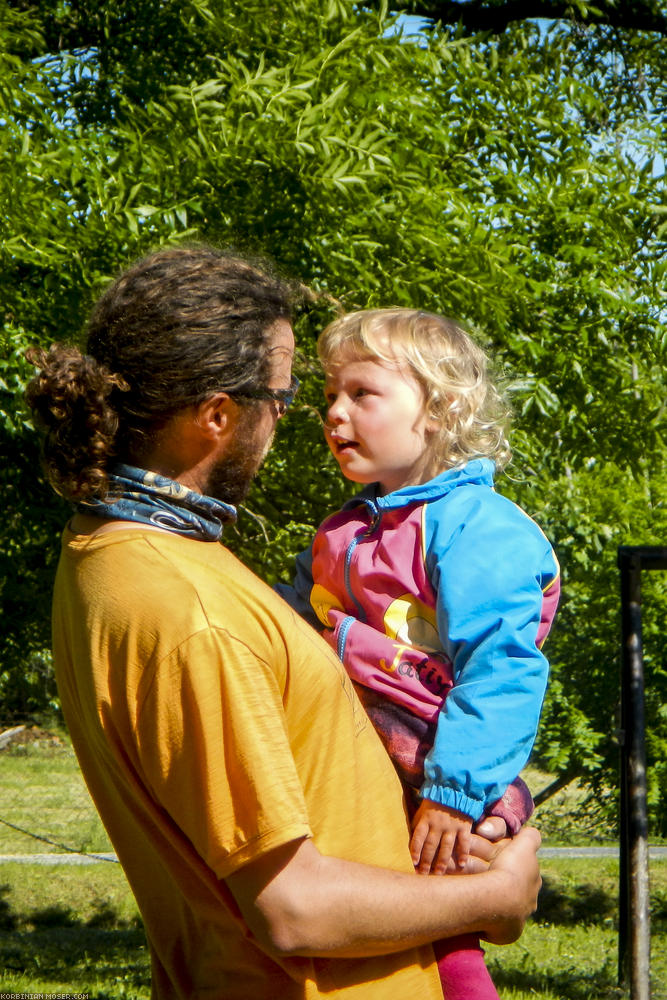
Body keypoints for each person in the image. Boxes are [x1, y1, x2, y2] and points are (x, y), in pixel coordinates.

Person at [26, 246, 542, 1000]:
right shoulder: (196, 615)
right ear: (216, 415)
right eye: (284, 395)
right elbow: (292, 912)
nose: (302, 416)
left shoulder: (106, 553)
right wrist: (493, 900)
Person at [277, 308, 560, 1000]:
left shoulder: (475, 527)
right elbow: (295, 616)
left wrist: (454, 794)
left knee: (445, 915)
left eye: (361, 394)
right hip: (360, 745)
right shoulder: (346, 528)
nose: (335, 414)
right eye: (328, 398)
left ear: (438, 409)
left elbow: (501, 669)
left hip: (432, 756)